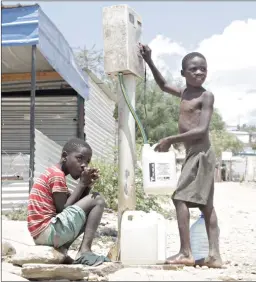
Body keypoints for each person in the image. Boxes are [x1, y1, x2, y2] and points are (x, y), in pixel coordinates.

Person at [139, 44, 222, 268]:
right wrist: (149, 61)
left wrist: (170, 140)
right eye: (193, 69)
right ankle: (213, 257)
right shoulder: (185, 93)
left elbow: (202, 130)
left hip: (201, 154)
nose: (199, 73)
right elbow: (163, 85)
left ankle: (186, 252)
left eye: (203, 69)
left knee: (180, 198)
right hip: (192, 154)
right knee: (206, 206)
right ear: (183, 73)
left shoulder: (206, 96)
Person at [27, 138, 110, 266]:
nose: (84, 165)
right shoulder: (56, 175)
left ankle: (62, 253)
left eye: (87, 161)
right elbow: (64, 210)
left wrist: (87, 185)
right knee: (98, 199)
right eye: (79, 158)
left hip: (42, 235)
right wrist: (82, 183)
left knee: (89, 211)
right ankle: (84, 251)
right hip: (47, 232)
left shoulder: (54, 173)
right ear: (65, 156)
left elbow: (77, 209)